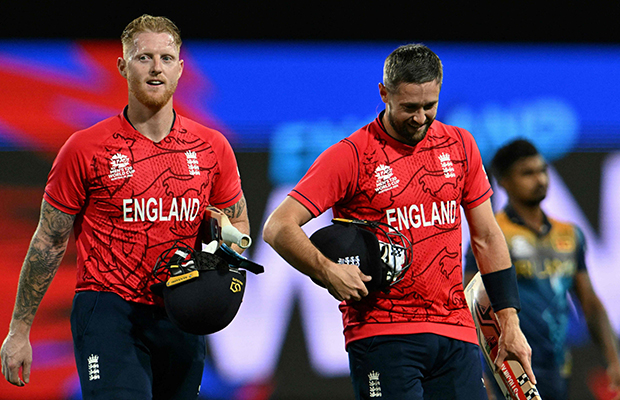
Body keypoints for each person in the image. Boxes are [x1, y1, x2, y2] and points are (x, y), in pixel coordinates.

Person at [263, 43, 534, 400]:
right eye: (409, 107)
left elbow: (486, 237)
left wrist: (509, 322)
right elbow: (278, 227)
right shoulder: (351, 156)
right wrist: (326, 270)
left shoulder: (461, 145)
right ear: (384, 93)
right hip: (381, 333)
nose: (420, 117)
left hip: (454, 331)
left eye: (429, 106)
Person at [0, 14, 249, 399]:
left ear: (181, 68)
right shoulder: (85, 148)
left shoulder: (212, 147)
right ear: (122, 66)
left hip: (181, 311)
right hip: (108, 311)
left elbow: (239, 226)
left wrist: (221, 240)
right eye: (143, 57)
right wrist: (19, 330)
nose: (155, 68)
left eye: (166, 58)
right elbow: (48, 241)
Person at [464, 139, 620, 400]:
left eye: (542, 170)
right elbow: (470, 308)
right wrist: (478, 376)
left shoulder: (570, 234)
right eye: (527, 173)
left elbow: (590, 305)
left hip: (557, 367)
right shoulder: (492, 236)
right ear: (504, 181)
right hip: (508, 369)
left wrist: (615, 361)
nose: (539, 179)